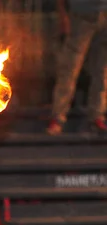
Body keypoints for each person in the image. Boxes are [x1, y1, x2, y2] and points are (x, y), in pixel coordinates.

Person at [47, 0, 107, 135]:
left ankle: (97, 115)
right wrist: (63, 16)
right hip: (82, 13)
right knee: (69, 68)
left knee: (102, 70)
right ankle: (58, 117)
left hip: (96, 13)